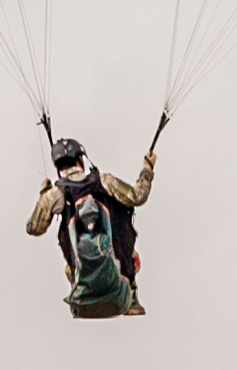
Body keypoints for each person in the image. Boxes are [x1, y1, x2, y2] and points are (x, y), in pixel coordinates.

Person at [27, 134, 156, 318]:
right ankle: (132, 297)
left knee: (70, 267)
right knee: (132, 257)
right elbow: (138, 196)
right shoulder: (104, 181)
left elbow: (34, 228)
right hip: (119, 296)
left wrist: (44, 194)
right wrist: (147, 168)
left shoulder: (55, 194)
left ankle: (79, 286)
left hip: (81, 302)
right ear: (80, 159)